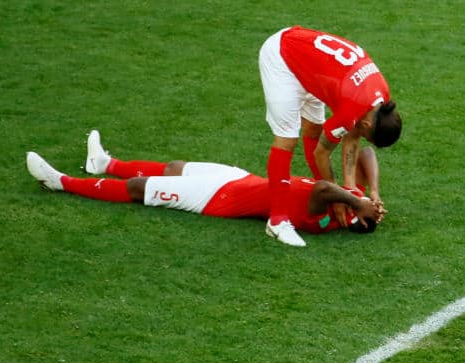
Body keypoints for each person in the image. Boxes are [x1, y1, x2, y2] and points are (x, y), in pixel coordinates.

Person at [25, 131, 381, 235]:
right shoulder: (351, 201)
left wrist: (354, 204)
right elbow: (365, 155)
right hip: (241, 179)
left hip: (218, 200)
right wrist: (372, 195)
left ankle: (61, 182)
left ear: (349, 219)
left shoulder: (322, 215)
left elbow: (322, 189)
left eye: (354, 210)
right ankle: (104, 163)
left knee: (141, 189)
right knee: (174, 167)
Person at [258, 25, 402, 247]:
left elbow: (352, 139)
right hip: (282, 59)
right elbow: (322, 152)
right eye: (369, 136)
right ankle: (277, 221)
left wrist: (350, 192)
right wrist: (337, 198)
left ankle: (325, 190)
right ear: (366, 124)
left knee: (313, 130)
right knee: (287, 138)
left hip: (310, 64)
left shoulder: (380, 97)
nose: (364, 138)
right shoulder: (351, 111)